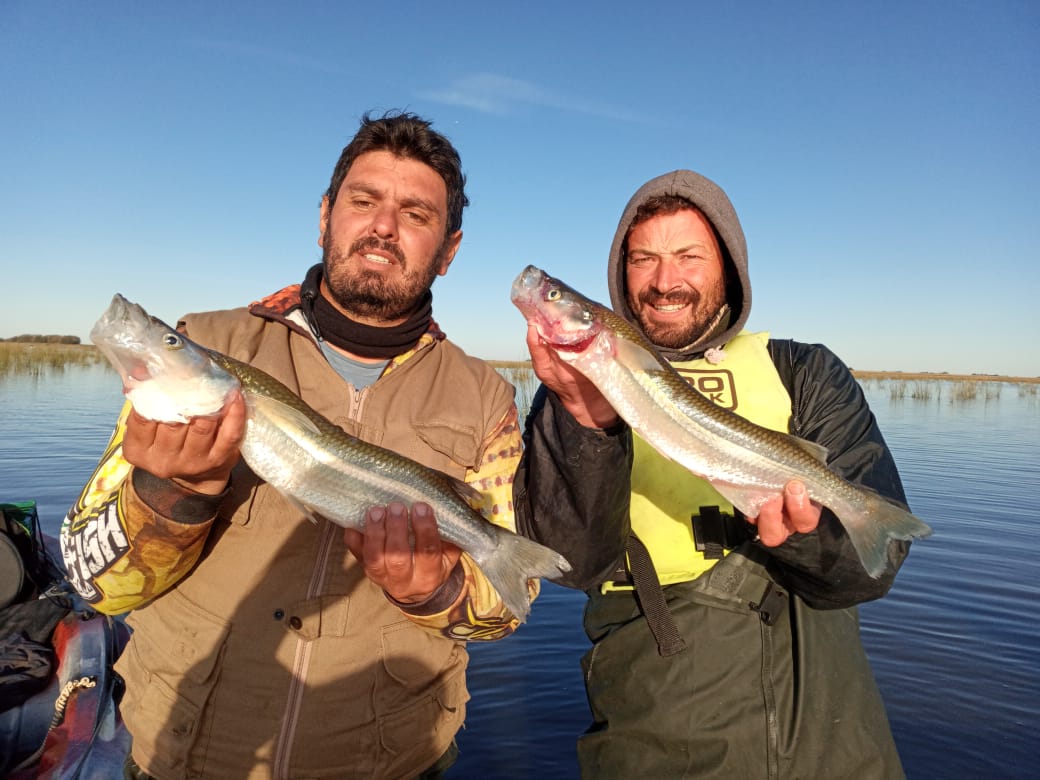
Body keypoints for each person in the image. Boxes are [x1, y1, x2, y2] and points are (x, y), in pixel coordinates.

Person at [61, 111, 531, 779]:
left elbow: (503, 611)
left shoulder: (486, 397)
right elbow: (93, 581)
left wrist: (434, 588)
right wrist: (169, 498)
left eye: (416, 214)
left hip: (391, 764)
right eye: (363, 201)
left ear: (449, 251)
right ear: (325, 215)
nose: (384, 227)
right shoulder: (212, 343)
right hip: (183, 758)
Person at [514, 169, 914, 778]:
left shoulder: (804, 371)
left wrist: (809, 536)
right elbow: (569, 561)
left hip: (832, 732)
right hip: (657, 726)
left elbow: (869, 574)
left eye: (688, 256)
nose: (663, 280)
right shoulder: (573, 389)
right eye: (643, 258)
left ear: (727, 266)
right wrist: (587, 426)